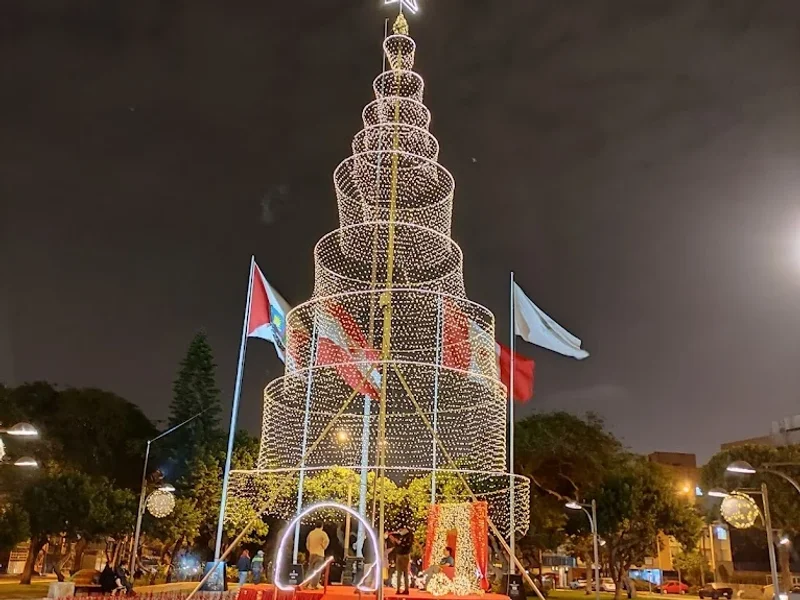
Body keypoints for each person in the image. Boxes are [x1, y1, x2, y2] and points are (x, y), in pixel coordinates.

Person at [388, 525, 413, 595]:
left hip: (404, 555)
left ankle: (406, 589)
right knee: (399, 573)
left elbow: (406, 545)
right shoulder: (401, 536)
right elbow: (398, 545)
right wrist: (394, 541)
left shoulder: (409, 536)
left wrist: (398, 542)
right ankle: (398, 589)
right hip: (399, 554)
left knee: (405, 573)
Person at [306, 521, 330, 589]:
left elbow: (307, 543)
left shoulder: (311, 533)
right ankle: (314, 584)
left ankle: (307, 583)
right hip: (319, 553)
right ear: (322, 526)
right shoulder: (323, 533)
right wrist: (323, 547)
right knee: (317, 570)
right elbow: (327, 541)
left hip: (311, 553)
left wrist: (310, 549)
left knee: (310, 569)